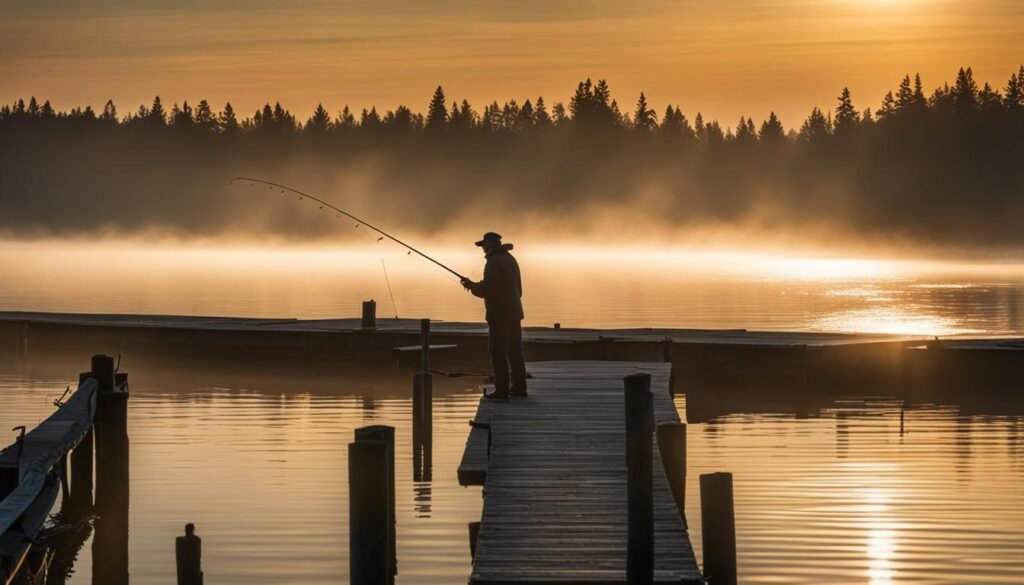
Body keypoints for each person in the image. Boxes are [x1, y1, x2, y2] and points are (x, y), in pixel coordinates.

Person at [460, 232, 527, 401]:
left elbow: (489, 289)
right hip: (515, 312)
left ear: (491, 244)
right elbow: (518, 289)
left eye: (483, 244)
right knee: (515, 352)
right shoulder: (511, 259)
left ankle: (501, 391)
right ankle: (519, 388)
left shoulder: (493, 262)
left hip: (499, 314)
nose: (482, 248)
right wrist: (475, 285)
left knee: (498, 353)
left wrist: (472, 286)